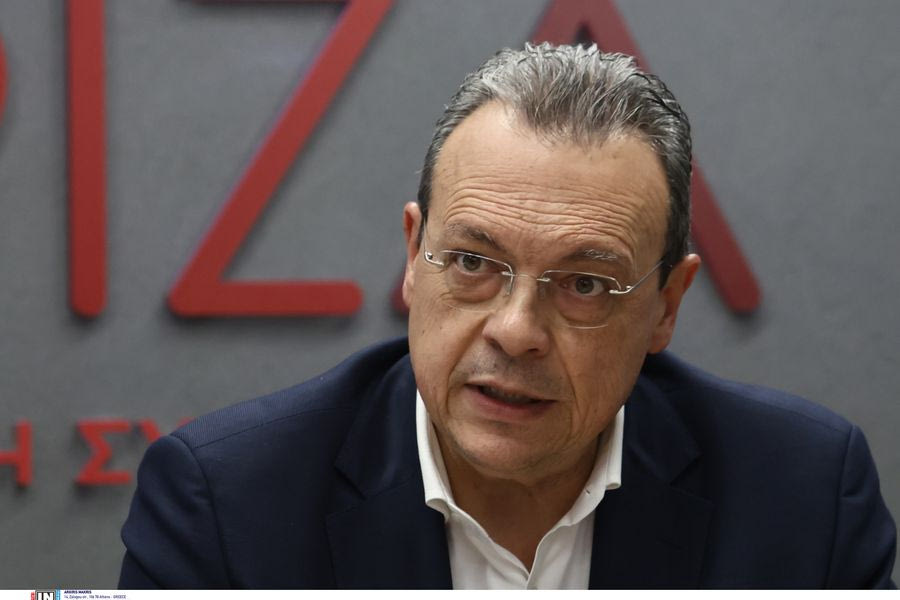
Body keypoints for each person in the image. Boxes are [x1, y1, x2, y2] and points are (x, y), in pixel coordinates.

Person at [118, 43, 896, 589]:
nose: (516, 330)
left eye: (584, 284)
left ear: (666, 305)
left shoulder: (803, 497)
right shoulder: (227, 503)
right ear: (414, 255)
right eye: (472, 263)